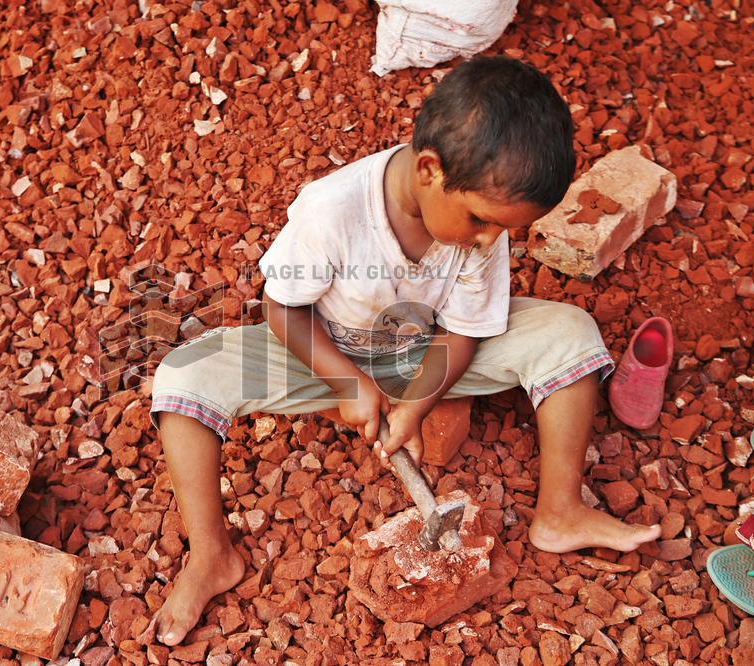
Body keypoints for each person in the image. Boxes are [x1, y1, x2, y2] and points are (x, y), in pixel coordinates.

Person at [146, 55, 661, 646]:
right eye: (482, 223)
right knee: (183, 378)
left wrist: (417, 402)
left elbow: (465, 328)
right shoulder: (331, 210)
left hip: (424, 352)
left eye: (503, 231)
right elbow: (282, 308)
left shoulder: (479, 220)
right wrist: (345, 382)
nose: (490, 241)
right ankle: (212, 554)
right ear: (430, 170)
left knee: (571, 334)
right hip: (319, 351)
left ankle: (560, 510)